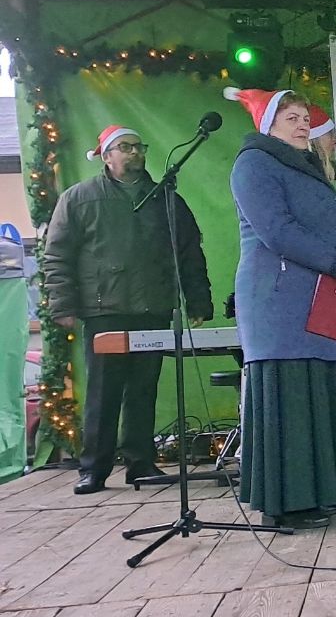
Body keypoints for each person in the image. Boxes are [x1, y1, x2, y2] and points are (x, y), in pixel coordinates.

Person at [45, 124, 213, 494]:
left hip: (153, 308)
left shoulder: (166, 199)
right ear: (106, 156)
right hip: (105, 310)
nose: (135, 152)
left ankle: (140, 463)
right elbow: (57, 256)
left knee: (142, 390)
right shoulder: (78, 199)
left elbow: (189, 254)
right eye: (125, 147)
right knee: (103, 392)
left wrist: (198, 301)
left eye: (139, 146)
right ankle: (94, 469)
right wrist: (63, 304)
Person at [228, 88, 336, 527]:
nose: (303, 123)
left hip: (319, 294)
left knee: (317, 392)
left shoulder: (308, 169)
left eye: (305, 117)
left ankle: (320, 493)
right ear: (268, 124)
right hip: (279, 297)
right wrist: (335, 260)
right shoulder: (253, 164)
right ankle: (285, 504)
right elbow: (276, 230)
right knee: (289, 396)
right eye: (291, 117)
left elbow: (333, 228)